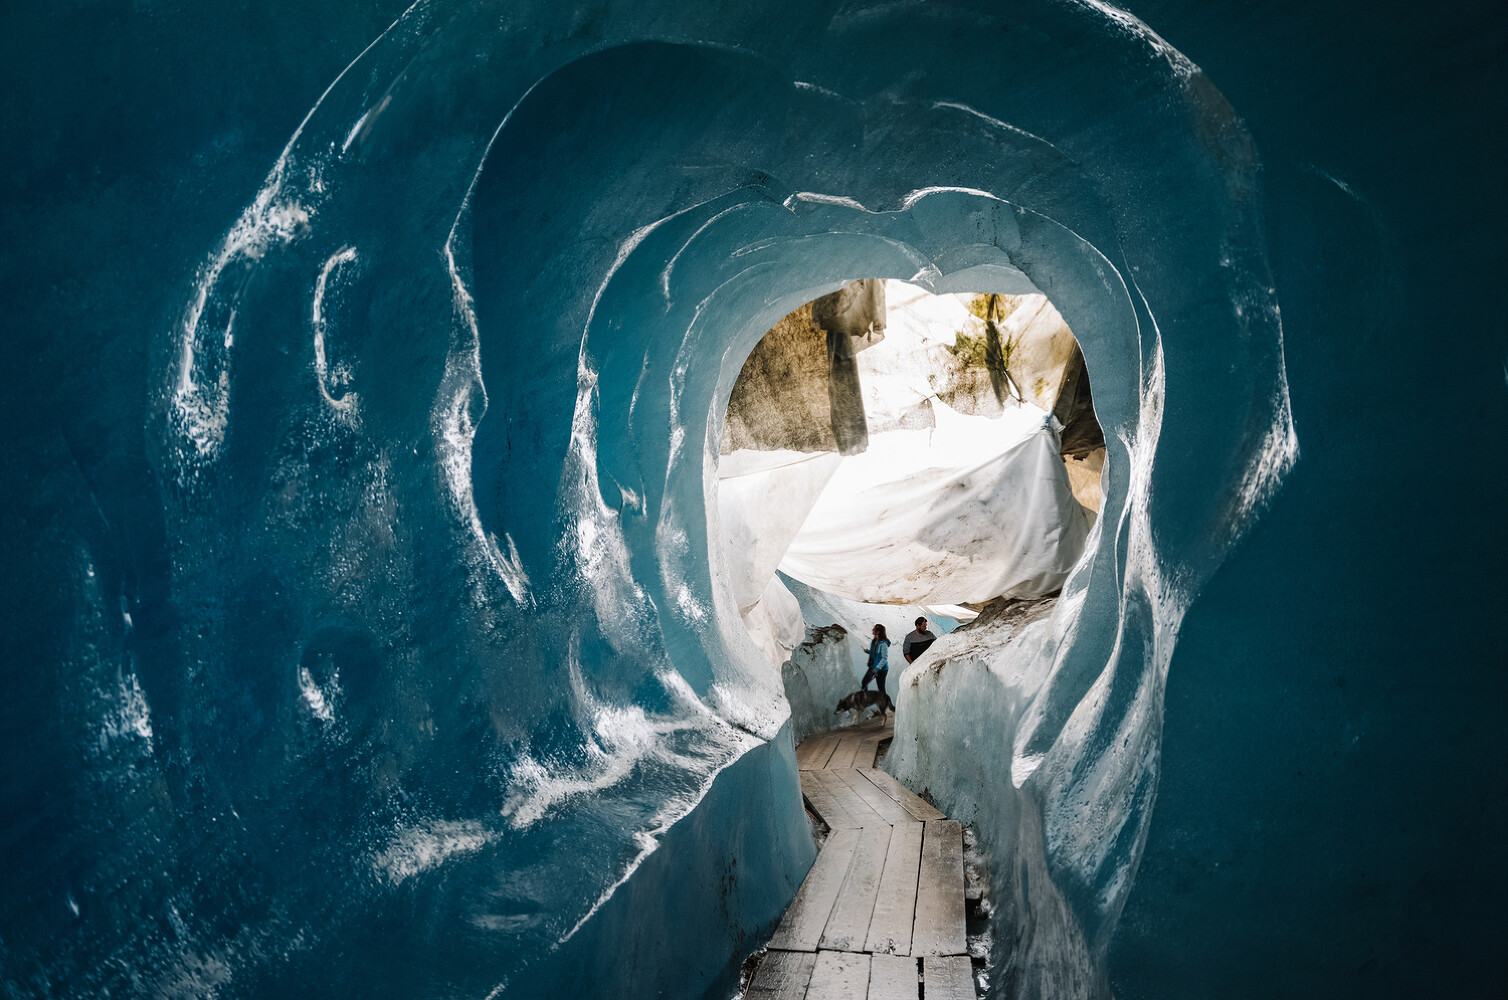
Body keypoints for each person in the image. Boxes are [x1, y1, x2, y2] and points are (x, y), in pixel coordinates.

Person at [860, 624, 891, 700]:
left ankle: (883, 707)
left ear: (878, 632)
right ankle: (865, 700)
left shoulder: (883, 644)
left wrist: (877, 668)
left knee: (881, 689)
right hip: (873, 666)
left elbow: (884, 658)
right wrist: (868, 651)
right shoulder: (874, 641)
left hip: (881, 669)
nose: (872, 630)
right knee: (864, 682)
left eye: (874, 629)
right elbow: (875, 653)